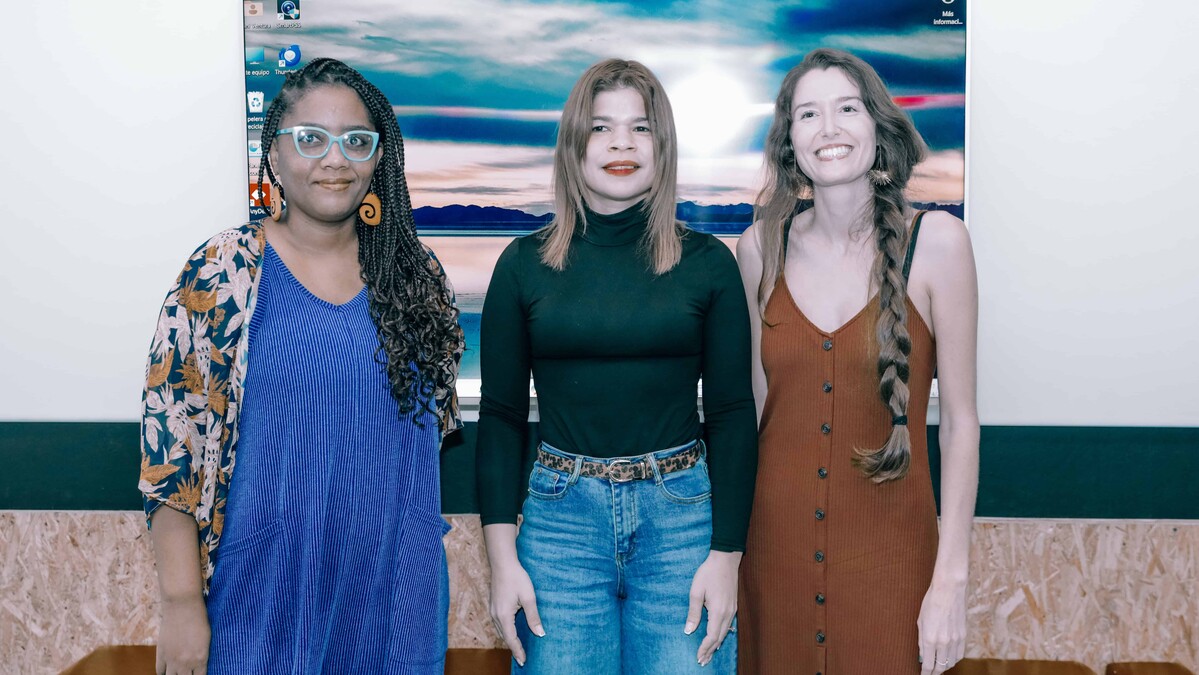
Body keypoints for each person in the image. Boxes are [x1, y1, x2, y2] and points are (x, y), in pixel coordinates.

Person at [138, 58, 463, 675]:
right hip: (258, 600)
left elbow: (422, 454)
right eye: (311, 139)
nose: (335, 159)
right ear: (275, 154)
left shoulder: (417, 281)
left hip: (394, 606)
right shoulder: (224, 273)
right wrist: (180, 603)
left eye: (356, 141)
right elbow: (172, 452)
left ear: (379, 159)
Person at [476, 58, 758, 674]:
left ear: (664, 146)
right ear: (574, 145)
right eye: (601, 127)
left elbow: (734, 413)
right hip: (559, 530)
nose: (622, 144)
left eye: (641, 128)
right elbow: (499, 417)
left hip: (682, 526)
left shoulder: (709, 263)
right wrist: (502, 560)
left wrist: (727, 557)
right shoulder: (521, 265)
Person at [735, 48, 979, 675]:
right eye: (808, 114)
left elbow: (960, 424)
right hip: (774, 562)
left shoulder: (938, 243)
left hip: (893, 564)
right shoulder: (758, 249)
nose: (829, 129)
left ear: (877, 124)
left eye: (847, 108)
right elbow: (755, 416)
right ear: (789, 140)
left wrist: (950, 582)